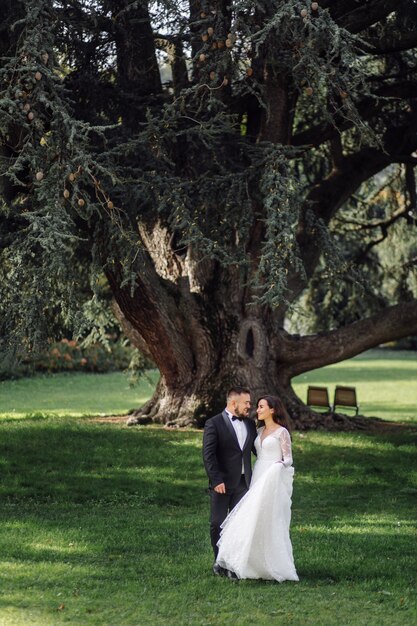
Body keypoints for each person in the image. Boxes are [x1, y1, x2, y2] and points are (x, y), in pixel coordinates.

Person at [215, 394, 299, 582]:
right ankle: (248, 561)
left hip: (272, 477)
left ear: (273, 410)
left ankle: (274, 564)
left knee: (270, 518)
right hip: (258, 475)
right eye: (257, 406)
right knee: (252, 516)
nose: (257, 410)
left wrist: (278, 466)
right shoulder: (259, 431)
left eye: (261, 406)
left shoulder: (282, 432)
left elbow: (288, 459)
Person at [202, 386, 257, 576]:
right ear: (234, 403)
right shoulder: (214, 423)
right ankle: (219, 561)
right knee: (217, 523)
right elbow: (208, 455)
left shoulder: (250, 424)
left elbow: (258, 449)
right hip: (222, 483)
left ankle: (232, 563)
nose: (250, 406)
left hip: (243, 483)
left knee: (237, 525)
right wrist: (216, 480)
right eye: (247, 402)